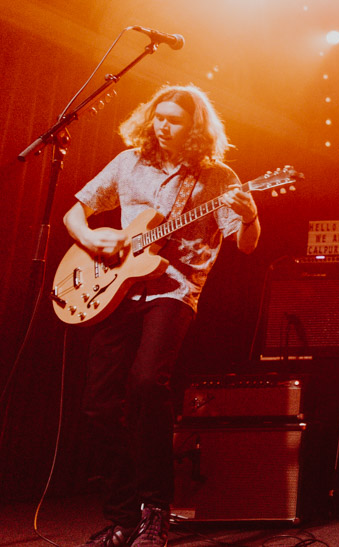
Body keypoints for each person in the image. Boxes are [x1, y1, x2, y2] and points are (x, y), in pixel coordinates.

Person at [65, 84, 260, 547]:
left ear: (195, 128)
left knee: (147, 383)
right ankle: (122, 516)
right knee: (98, 402)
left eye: (174, 119)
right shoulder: (130, 162)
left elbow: (246, 246)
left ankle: (156, 510)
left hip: (174, 290)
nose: (162, 125)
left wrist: (250, 217)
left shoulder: (216, 177)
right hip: (117, 289)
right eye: (159, 116)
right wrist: (93, 241)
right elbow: (78, 210)